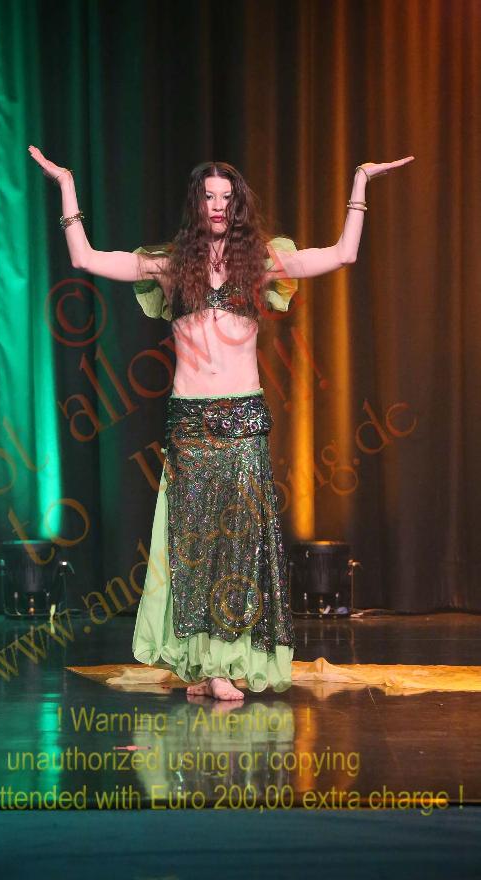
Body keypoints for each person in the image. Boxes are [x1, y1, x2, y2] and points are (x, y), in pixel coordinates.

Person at [28, 147, 414, 700]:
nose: (217, 205)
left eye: (227, 198)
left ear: (238, 206)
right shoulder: (169, 265)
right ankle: (205, 664)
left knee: (238, 546)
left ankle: (224, 662)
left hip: (243, 419)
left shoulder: (260, 261)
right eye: (209, 196)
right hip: (190, 423)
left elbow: (343, 253)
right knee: (193, 546)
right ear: (197, 203)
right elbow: (86, 258)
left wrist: (360, 184)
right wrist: (66, 185)